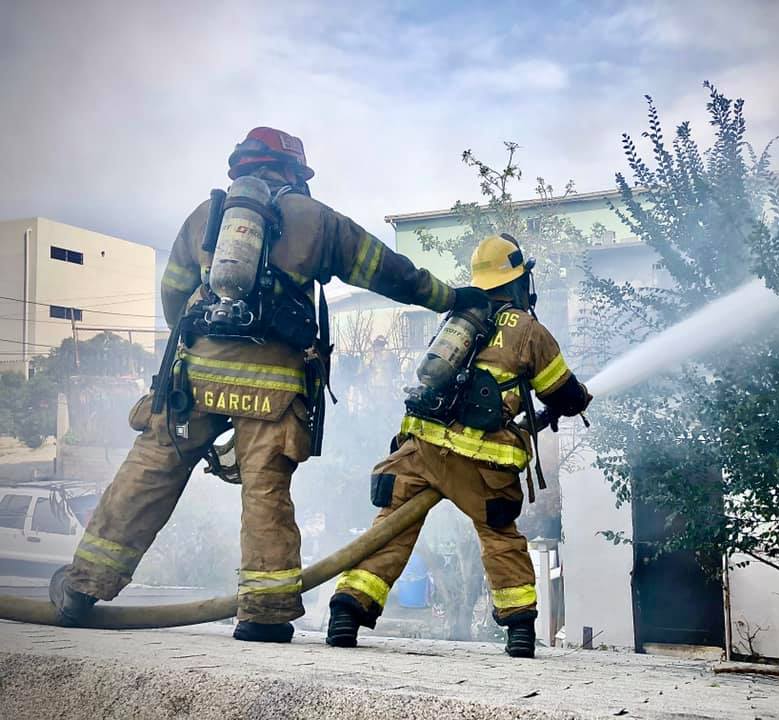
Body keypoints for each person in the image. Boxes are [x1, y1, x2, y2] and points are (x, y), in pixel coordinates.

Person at [48, 127, 488, 643]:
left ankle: (83, 588)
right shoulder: (315, 219)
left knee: (150, 472)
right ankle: (266, 612)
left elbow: (173, 297)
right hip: (273, 389)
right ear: (294, 173)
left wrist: (206, 346)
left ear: (241, 168)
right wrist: (449, 297)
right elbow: (387, 272)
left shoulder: (204, 217)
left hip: (194, 380)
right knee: (266, 490)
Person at [326, 233, 591, 658]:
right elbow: (560, 392)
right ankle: (520, 632)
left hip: (420, 449)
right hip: (481, 463)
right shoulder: (528, 331)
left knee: (391, 527)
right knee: (500, 537)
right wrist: (578, 399)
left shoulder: (458, 321)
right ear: (518, 281)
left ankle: (346, 613)